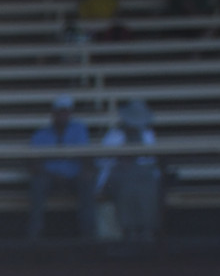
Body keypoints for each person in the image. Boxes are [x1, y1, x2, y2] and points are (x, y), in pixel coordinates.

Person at [27, 97, 96, 241]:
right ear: (53, 113)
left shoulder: (79, 130)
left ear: (70, 113)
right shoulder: (40, 135)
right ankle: (34, 235)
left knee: (87, 183)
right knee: (38, 183)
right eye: (59, 112)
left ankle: (89, 236)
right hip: (49, 176)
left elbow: (87, 156)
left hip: (73, 175)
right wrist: (48, 173)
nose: (62, 116)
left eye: (65, 112)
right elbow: (33, 163)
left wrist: (86, 171)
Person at [97, 100, 160, 241]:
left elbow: (151, 161)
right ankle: (129, 229)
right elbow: (103, 162)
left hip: (143, 178)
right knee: (128, 185)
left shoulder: (147, 135)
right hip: (116, 178)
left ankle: (146, 229)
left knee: (148, 186)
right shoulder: (114, 135)